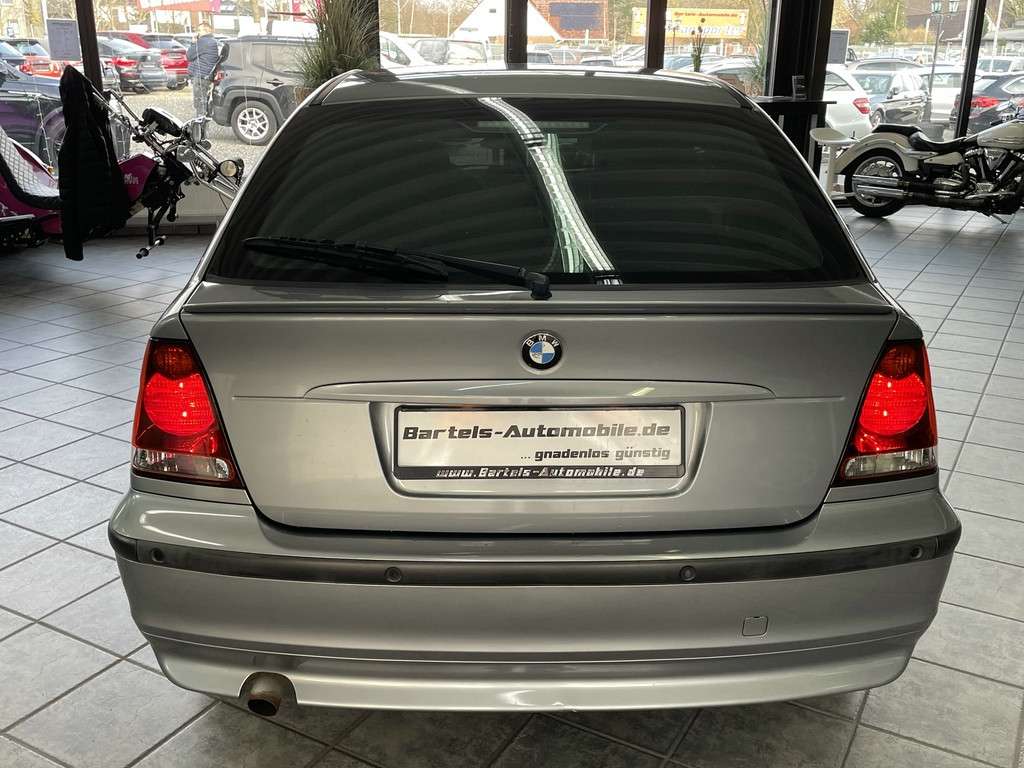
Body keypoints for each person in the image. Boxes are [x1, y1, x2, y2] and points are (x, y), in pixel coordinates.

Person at [186, 22, 219, 133]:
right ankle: (204, 129)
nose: (197, 33)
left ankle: (200, 132)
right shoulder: (212, 41)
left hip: (200, 76)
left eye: (199, 30)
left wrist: (193, 42)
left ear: (206, 30)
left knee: (200, 104)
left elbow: (189, 56)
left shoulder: (203, 41)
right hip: (206, 76)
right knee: (204, 103)